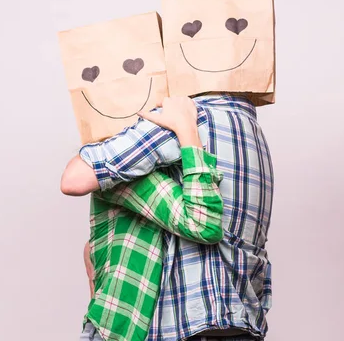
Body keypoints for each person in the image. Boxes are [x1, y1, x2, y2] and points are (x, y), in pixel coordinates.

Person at [63, 94, 274, 340]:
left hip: (182, 328)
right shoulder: (249, 127)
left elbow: (74, 178)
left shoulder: (185, 119)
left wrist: (186, 132)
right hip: (239, 323)